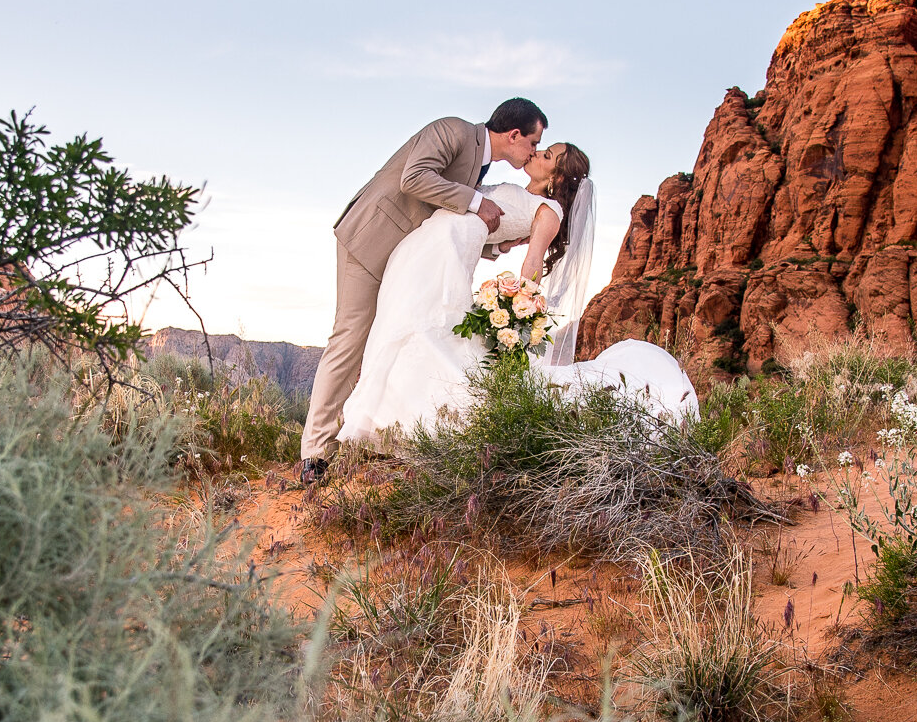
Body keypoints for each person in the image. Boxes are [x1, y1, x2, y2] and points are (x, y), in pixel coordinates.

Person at [304, 132, 698, 480]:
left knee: (419, 334)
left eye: (547, 155)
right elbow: (491, 224)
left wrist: (516, 309)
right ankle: (382, 430)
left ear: (557, 177)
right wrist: (497, 246)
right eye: (539, 147)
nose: (537, 154)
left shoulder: (551, 211)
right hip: (429, 249)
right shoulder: (524, 194)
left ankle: (397, 432)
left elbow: (532, 264)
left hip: (444, 260)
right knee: (403, 330)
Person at [297, 98, 547, 484]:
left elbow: (439, 217)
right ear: (514, 135)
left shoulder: (479, 164)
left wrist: (494, 247)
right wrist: (478, 202)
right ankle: (315, 453)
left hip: (404, 260)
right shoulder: (453, 130)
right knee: (349, 339)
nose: (533, 152)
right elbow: (413, 178)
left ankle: (349, 437)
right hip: (370, 242)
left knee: (377, 344)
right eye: (532, 143)